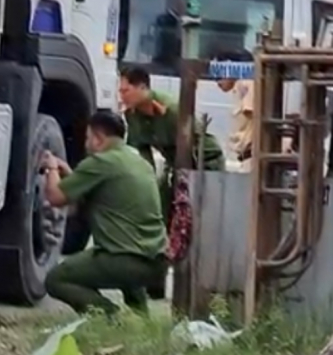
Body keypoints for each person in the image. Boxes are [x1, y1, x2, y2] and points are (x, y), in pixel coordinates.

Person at [40, 109, 168, 315]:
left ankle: (109, 317)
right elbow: (95, 194)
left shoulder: (100, 162)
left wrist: (52, 168)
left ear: (99, 139)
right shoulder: (139, 162)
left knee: (56, 279)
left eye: (88, 138)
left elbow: (55, 197)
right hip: (156, 261)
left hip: (124, 260)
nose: (86, 144)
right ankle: (143, 321)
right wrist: (70, 174)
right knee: (126, 253)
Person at [118, 66, 225, 223]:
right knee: (161, 206)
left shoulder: (171, 109)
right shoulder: (132, 114)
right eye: (120, 92)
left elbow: (195, 143)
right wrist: (147, 183)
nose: (122, 97)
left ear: (142, 88)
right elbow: (142, 152)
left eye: (126, 91)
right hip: (175, 164)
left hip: (205, 161)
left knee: (200, 215)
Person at [211, 49, 256, 172]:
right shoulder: (239, 88)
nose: (216, 79)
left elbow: (256, 117)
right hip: (247, 158)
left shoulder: (246, 84)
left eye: (218, 72)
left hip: (253, 157)